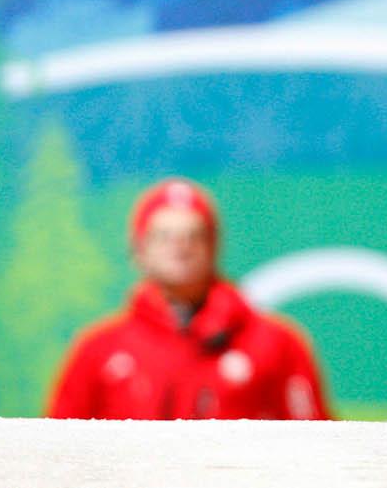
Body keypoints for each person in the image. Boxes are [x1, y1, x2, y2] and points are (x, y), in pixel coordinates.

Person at [48, 178, 331, 420]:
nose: (181, 248)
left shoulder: (276, 345)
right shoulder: (98, 351)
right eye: (164, 236)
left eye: (193, 235)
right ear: (139, 249)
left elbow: (316, 451)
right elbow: (57, 456)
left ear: (214, 245)